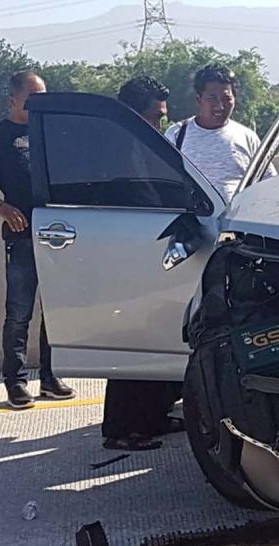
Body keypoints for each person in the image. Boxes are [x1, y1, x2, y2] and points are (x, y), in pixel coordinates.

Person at [0, 71, 75, 409]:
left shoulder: (50, 132)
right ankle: (16, 381)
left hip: (58, 234)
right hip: (21, 235)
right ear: (13, 100)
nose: (37, 104)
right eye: (31, 98)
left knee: (55, 309)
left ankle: (51, 377)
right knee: (19, 311)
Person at [99, 76, 184, 451]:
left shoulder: (145, 146)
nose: (160, 125)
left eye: (163, 117)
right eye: (153, 116)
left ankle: (151, 417)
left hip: (150, 254)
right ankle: (121, 429)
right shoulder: (116, 152)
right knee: (132, 341)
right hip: (126, 256)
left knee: (157, 335)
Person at [165, 64, 272, 200]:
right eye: (212, 98)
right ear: (199, 99)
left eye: (226, 99)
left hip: (236, 219)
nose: (220, 106)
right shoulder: (176, 135)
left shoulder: (247, 138)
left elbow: (268, 183)